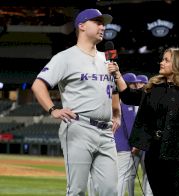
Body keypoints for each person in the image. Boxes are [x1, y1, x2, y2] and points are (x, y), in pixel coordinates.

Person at [31, 8, 120, 196]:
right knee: (77, 190)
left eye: (103, 23)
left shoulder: (106, 59)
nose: (102, 26)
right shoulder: (65, 57)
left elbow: (113, 90)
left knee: (111, 191)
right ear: (81, 26)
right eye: (97, 22)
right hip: (80, 127)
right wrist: (53, 109)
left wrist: (117, 113)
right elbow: (38, 85)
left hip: (106, 131)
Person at [109, 47, 179, 195]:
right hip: (155, 155)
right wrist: (117, 75)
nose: (161, 63)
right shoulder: (153, 88)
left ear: (178, 64)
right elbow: (129, 96)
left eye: (166, 60)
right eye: (162, 59)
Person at [114, 73, 140, 196]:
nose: (136, 85)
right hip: (124, 145)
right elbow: (130, 125)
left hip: (115, 143)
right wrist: (135, 142)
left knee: (118, 175)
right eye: (134, 83)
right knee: (122, 176)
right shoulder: (127, 101)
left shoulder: (116, 99)